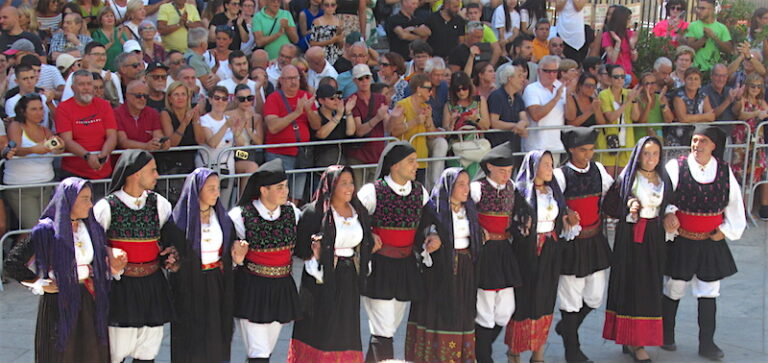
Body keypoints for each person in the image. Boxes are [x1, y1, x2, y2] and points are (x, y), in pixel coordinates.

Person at [4, 177, 119, 362]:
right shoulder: (46, 231)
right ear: (69, 199)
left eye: (91, 198)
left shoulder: (91, 227)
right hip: (59, 302)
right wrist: (39, 283)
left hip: (88, 298)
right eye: (85, 199)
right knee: (62, 352)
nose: (91, 204)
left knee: (90, 351)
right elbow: (13, 263)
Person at [662, 125, 747, 360]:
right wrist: (668, 213)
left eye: (703, 141)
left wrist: (727, 231)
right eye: (695, 140)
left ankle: (707, 344)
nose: (697, 145)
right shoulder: (676, 167)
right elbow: (664, 195)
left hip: (710, 241)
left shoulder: (724, 171)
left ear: (714, 146)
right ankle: (666, 334)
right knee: (674, 286)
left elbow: (735, 203)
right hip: (682, 240)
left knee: (709, 291)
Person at [93, 150, 176, 363]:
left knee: (148, 350)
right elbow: (93, 246)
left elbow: (171, 240)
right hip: (122, 289)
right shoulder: (106, 207)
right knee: (117, 352)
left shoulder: (160, 204)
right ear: (136, 174)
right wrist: (108, 253)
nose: (157, 175)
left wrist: (173, 255)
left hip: (153, 285)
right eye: (152, 170)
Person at [357, 141, 437, 362]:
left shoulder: (420, 192)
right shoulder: (372, 191)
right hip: (379, 266)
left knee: (388, 327)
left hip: (406, 266)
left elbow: (431, 221)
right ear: (394, 165)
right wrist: (368, 236)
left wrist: (435, 236)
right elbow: (354, 220)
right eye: (411, 161)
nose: (416, 165)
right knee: (384, 330)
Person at [287, 165, 374, 362]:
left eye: (351, 182)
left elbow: (364, 241)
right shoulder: (314, 213)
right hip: (319, 282)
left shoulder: (358, 211)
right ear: (331, 186)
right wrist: (317, 255)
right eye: (343, 183)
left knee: (345, 330)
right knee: (321, 330)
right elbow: (302, 250)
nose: (350, 187)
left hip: (348, 278)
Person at [601, 136, 673, 362]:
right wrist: (629, 203)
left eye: (655, 154)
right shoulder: (628, 176)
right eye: (646, 153)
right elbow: (611, 203)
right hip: (631, 238)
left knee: (650, 286)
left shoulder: (663, 178)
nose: (651, 159)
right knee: (633, 284)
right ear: (638, 154)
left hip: (654, 236)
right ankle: (633, 342)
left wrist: (670, 212)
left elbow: (670, 201)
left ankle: (638, 337)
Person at [167, 167, 247, 362]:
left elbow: (230, 251)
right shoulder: (178, 222)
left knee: (215, 335)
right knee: (190, 338)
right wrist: (173, 263)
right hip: (189, 286)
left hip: (216, 283)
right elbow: (169, 254)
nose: (217, 193)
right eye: (210, 188)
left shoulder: (224, 220)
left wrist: (237, 256)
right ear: (197, 190)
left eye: (218, 187)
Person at [504, 150, 577, 363]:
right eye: (545, 164)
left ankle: (538, 352)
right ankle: (514, 351)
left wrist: (568, 220)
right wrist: (522, 228)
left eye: (551, 164)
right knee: (523, 300)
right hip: (525, 253)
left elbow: (560, 216)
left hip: (549, 252)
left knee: (545, 299)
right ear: (533, 167)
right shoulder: (519, 193)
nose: (550, 169)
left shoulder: (553, 191)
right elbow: (510, 224)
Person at [228, 159, 302, 362]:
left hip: (281, 287)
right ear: (263, 190)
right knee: (258, 352)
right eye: (280, 187)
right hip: (252, 289)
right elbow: (229, 256)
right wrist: (237, 258)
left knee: (266, 350)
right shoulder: (240, 216)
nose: (285, 191)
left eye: (286, 186)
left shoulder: (292, 213)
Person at [404, 167, 480, 362]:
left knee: (461, 316)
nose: (466, 189)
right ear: (449, 187)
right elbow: (421, 234)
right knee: (438, 315)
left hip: (464, 271)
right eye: (460, 184)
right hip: (438, 274)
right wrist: (431, 238)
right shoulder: (433, 209)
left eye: (467, 184)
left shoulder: (469, 209)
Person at [552, 129, 614, 363]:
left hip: (595, 239)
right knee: (570, 297)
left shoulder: (598, 170)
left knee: (595, 297)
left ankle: (566, 329)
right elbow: (551, 201)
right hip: (571, 243)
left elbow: (613, 193)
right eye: (582, 150)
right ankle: (572, 349)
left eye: (591, 150)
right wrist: (565, 211)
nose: (587, 155)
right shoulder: (560, 175)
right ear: (571, 150)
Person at [471, 142, 523, 363]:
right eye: (502, 170)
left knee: (505, 310)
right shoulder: (477, 188)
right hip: (485, 252)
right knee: (485, 308)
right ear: (489, 167)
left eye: (509, 171)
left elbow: (520, 211)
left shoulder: (512, 187)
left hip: (504, 251)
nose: (506, 175)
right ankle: (484, 356)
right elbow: (463, 212)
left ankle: (478, 348)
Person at [263, 64, 320, 204]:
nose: (293, 81)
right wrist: (296, 113)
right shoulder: (273, 98)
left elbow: (316, 125)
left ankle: (291, 220)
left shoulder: (305, 96)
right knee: (278, 195)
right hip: (279, 155)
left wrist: (309, 110)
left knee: (296, 196)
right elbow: (273, 127)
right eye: (289, 78)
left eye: (296, 78)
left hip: (301, 155)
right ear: (281, 80)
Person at [5, 93, 63, 230]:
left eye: (41, 108)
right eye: (34, 109)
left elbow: (57, 146)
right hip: (21, 187)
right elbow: (15, 149)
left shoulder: (45, 130)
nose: (39, 112)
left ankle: (23, 252)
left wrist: (60, 146)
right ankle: (16, 252)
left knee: (41, 230)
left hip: (45, 186)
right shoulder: (15, 126)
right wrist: (34, 149)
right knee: (33, 230)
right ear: (22, 111)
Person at [56, 70, 118, 191]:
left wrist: (103, 156)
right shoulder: (63, 108)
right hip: (74, 174)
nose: (86, 88)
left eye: (89, 84)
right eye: (81, 84)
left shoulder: (104, 105)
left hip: (103, 173)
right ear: (73, 88)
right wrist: (87, 156)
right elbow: (67, 140)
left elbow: (112, 136)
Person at [390, 74, 439, 184]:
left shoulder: (426, 107)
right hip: (403, 161)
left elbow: (431, 135)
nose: (431, 92)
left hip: (421, 160)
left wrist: (429, 118)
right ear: (419, 89)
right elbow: (394, 131)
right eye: (429, 89)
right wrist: (415, 121)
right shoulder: (402, 105)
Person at [347, 63, 389, 187]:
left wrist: (394, 117)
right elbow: (359, 131)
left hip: (377, 154)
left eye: (367, 77)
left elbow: (388, 126)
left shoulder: (381, 98)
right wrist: (378, 117)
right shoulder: (352, 100)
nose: (364, 81)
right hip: (358, 155)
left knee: (374, 193)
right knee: (359, 193)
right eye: (360, 78)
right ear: (355, 81)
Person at [198, 86, 239, 204]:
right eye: (217, 98)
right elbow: (212, 142)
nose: (220, 102)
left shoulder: (229, 119)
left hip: (227, 167)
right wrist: (226, 126)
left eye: (224, 99)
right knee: (207, 203)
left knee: (224, 204)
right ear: (210, 100)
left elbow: (239, 143)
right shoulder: (204, 120)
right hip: (208, 167)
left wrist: (239, 130)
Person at [598, 64, 641, 177]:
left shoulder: (628, 93)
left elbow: (635, 117)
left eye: (623, 77)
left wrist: (634, 100)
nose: (620, 80)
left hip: (626, 140)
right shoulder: (604, 94)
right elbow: (611, 117)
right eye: (616, 77)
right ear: (610, 79)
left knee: (622, 177)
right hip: (610, 140)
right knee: (609, 178)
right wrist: (627, 102)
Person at [734, 74, 768, 217]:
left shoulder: (761, 102)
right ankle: (738, 211)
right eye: (753, 85)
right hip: (742, 142)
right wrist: (756, 113)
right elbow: (740, 114)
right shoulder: (742, 99)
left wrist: (760, 113)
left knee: (755, 174)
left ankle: (747, 211)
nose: (755, 88)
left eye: (759, 86)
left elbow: (765, 112)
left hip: (757, 142)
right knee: (740, 176)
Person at [523, 56, 566, 162]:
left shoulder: (562, 88)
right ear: (538, 71)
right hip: (536, 146)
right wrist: (555, 98)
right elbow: (536, 115)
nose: (551, 75)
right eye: (547, 71)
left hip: (556, 145)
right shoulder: (532, 89)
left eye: (554, 71)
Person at [668, 67, 714, 159]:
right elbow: (683, 118)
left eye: (696, 79)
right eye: (690, 79)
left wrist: (691, 118)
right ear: (685, 80)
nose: (693, 81)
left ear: (700, 81)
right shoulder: (678, 95)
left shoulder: (703, 95)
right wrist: (704, 116)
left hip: (696, 138)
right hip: (678, 138)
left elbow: (712, 116)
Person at [225, 84, 263, 192]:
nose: (246, 102)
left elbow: (259, 142)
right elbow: (237, 143)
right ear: (236, 100)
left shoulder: (256, 117)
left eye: (249, 98)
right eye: (242, 99)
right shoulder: (228, 115)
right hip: (234, 154)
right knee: (252, 166)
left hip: (249, 154)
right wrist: (242, 124)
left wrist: (248, 127)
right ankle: (244, 201)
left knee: (252, 165)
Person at [115, 80, 169, 151]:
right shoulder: (116, 113)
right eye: (138, 96)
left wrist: (162, 143)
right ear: (127, 96)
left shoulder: (152, 113)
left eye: (145, 96)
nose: (142, 99)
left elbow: (158, 135)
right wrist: (145, 146)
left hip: (148, 159)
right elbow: (122, 142)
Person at [487, 63, 528, 152]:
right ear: (510, 78)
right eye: (519, 76)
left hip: (515, 145)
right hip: (499, 146)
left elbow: (524, 119)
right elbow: (494, 122)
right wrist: (516, 126)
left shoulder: (518, 97)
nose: (523, 79)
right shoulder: (496, 96)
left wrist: (522, 123)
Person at [685, 0, 733, 72]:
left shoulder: (722, 28)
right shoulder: (692, 26)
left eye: (703, 8)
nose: (699, 11)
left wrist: (714, 37)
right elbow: (689, 50)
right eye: (698, 8)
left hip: (714, 71)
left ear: (712, 10)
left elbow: (729, 50)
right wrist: (704, 38)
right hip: (696, 70)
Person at [602, 5, 638, 78]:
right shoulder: (608, 35)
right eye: (628, 18)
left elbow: (634, 59)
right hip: (614, 74)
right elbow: (613, 60)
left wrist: (632, 47)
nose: (629, 21)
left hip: (627, 73)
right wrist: (618, 42)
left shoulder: (630, 34)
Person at [90, 7, 126, 72]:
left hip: (120, 70)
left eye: (112, 16)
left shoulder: (119, 31)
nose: (110, 18)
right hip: (103, 70)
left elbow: (128, 49)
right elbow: (97, 52)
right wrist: (110, 43)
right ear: (100, 20)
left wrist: (120, 39)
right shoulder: (97, 34)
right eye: (106, 16)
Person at [309, 0, 343, 66]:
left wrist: (339, 39)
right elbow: (312, 43)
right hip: (321, 56)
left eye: (332, 5)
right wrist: (331, 41)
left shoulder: (339, 22)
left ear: (336, 6)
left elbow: (341, 46)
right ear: (322, 6)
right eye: (327, 5)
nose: (330, 7)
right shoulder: (316, 22)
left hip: (335, 56)